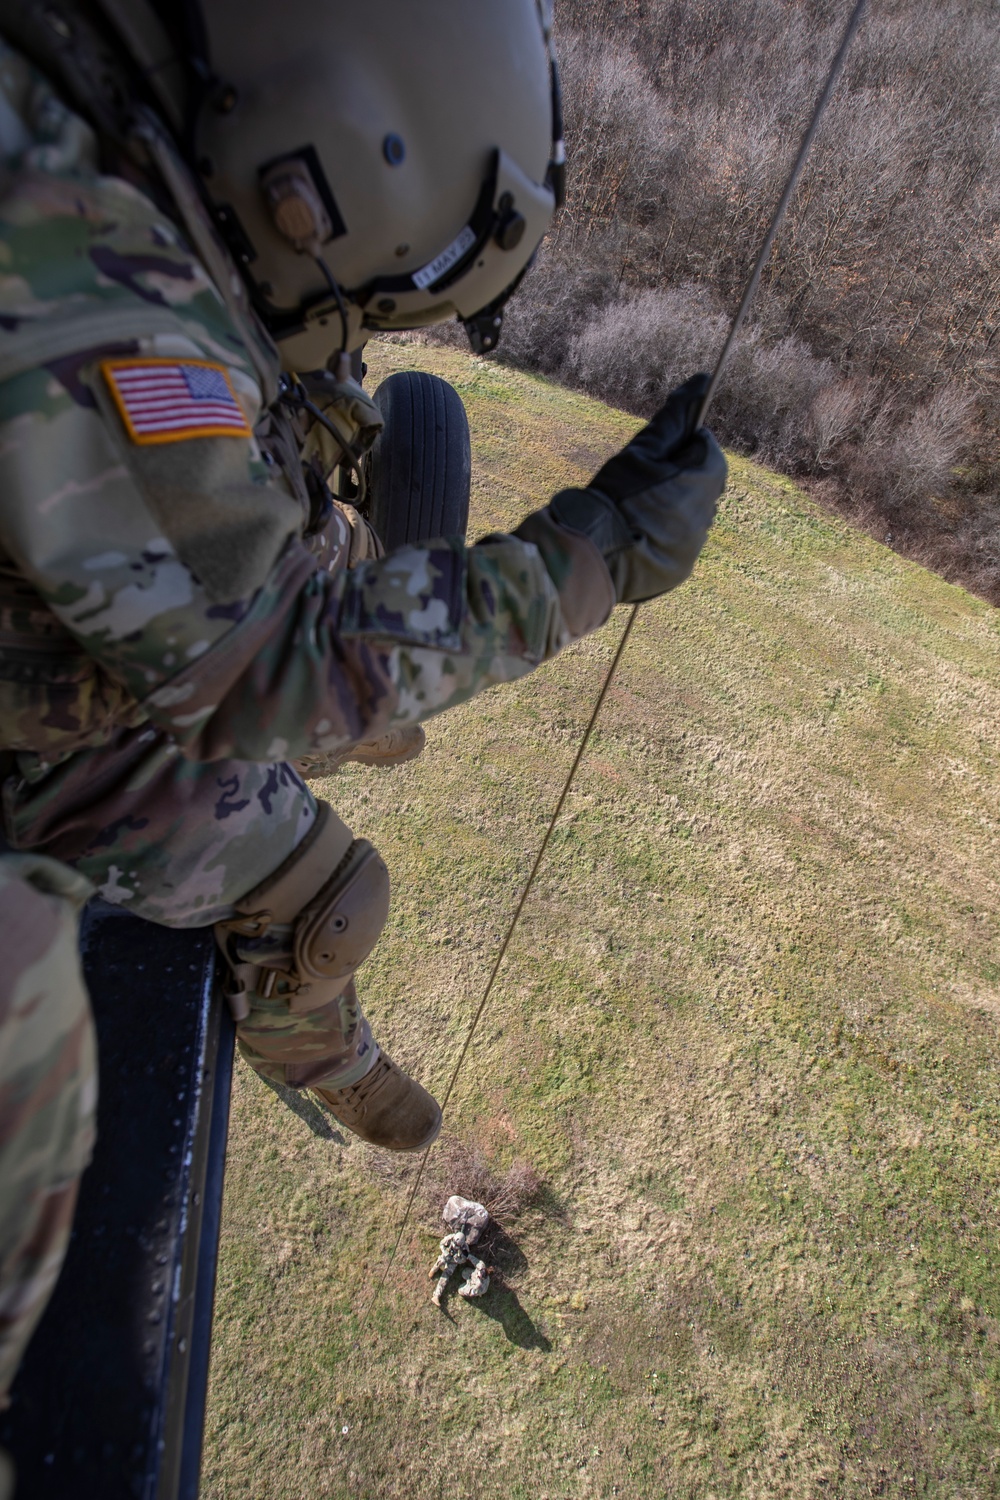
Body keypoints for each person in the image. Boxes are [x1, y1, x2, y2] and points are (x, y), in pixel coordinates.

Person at [0, 0, 727, 1160]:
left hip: (62, 607)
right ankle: (326, 1057)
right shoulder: (69, 259)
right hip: (42, 722)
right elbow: (256, 671)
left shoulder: (98, 127)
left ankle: (358, 717)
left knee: (334, 570)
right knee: (327, 891)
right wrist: (591, 557)